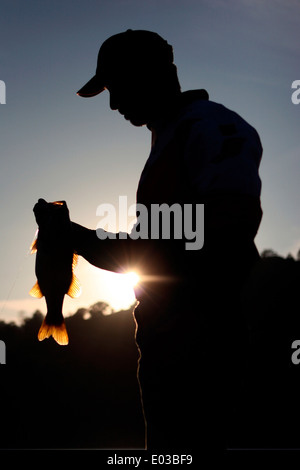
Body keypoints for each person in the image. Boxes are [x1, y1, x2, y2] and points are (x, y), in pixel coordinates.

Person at [47, 30, 264, 451]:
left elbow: (224, 242)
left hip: (200, 353)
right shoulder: (172, 134)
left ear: (157, 74)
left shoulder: (210, 128)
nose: (112, 104)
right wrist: (80, 238)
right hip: (168, 346)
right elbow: (164, 244)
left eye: (116, 87)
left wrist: (83, 240)